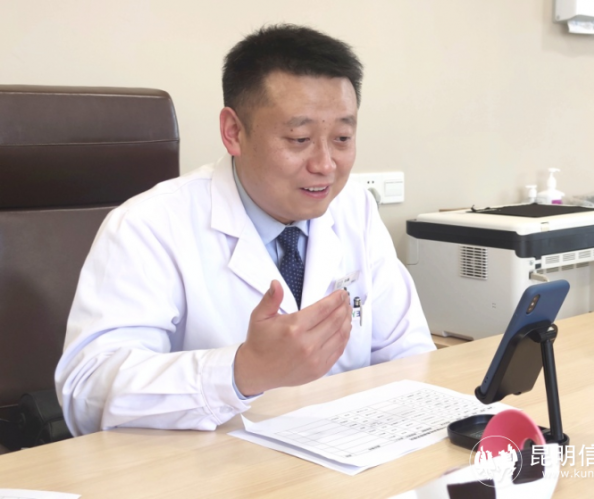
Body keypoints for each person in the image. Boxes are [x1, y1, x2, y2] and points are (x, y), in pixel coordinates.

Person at [56, 24, 435, 436]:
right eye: (299, 138)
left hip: (345, 451)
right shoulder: (148, 226)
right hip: (208, 465)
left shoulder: (355, 208)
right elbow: (88, 393)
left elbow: (410, 355)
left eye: (342, 137)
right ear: (233, 132)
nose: (325, 164)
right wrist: (242, 372)